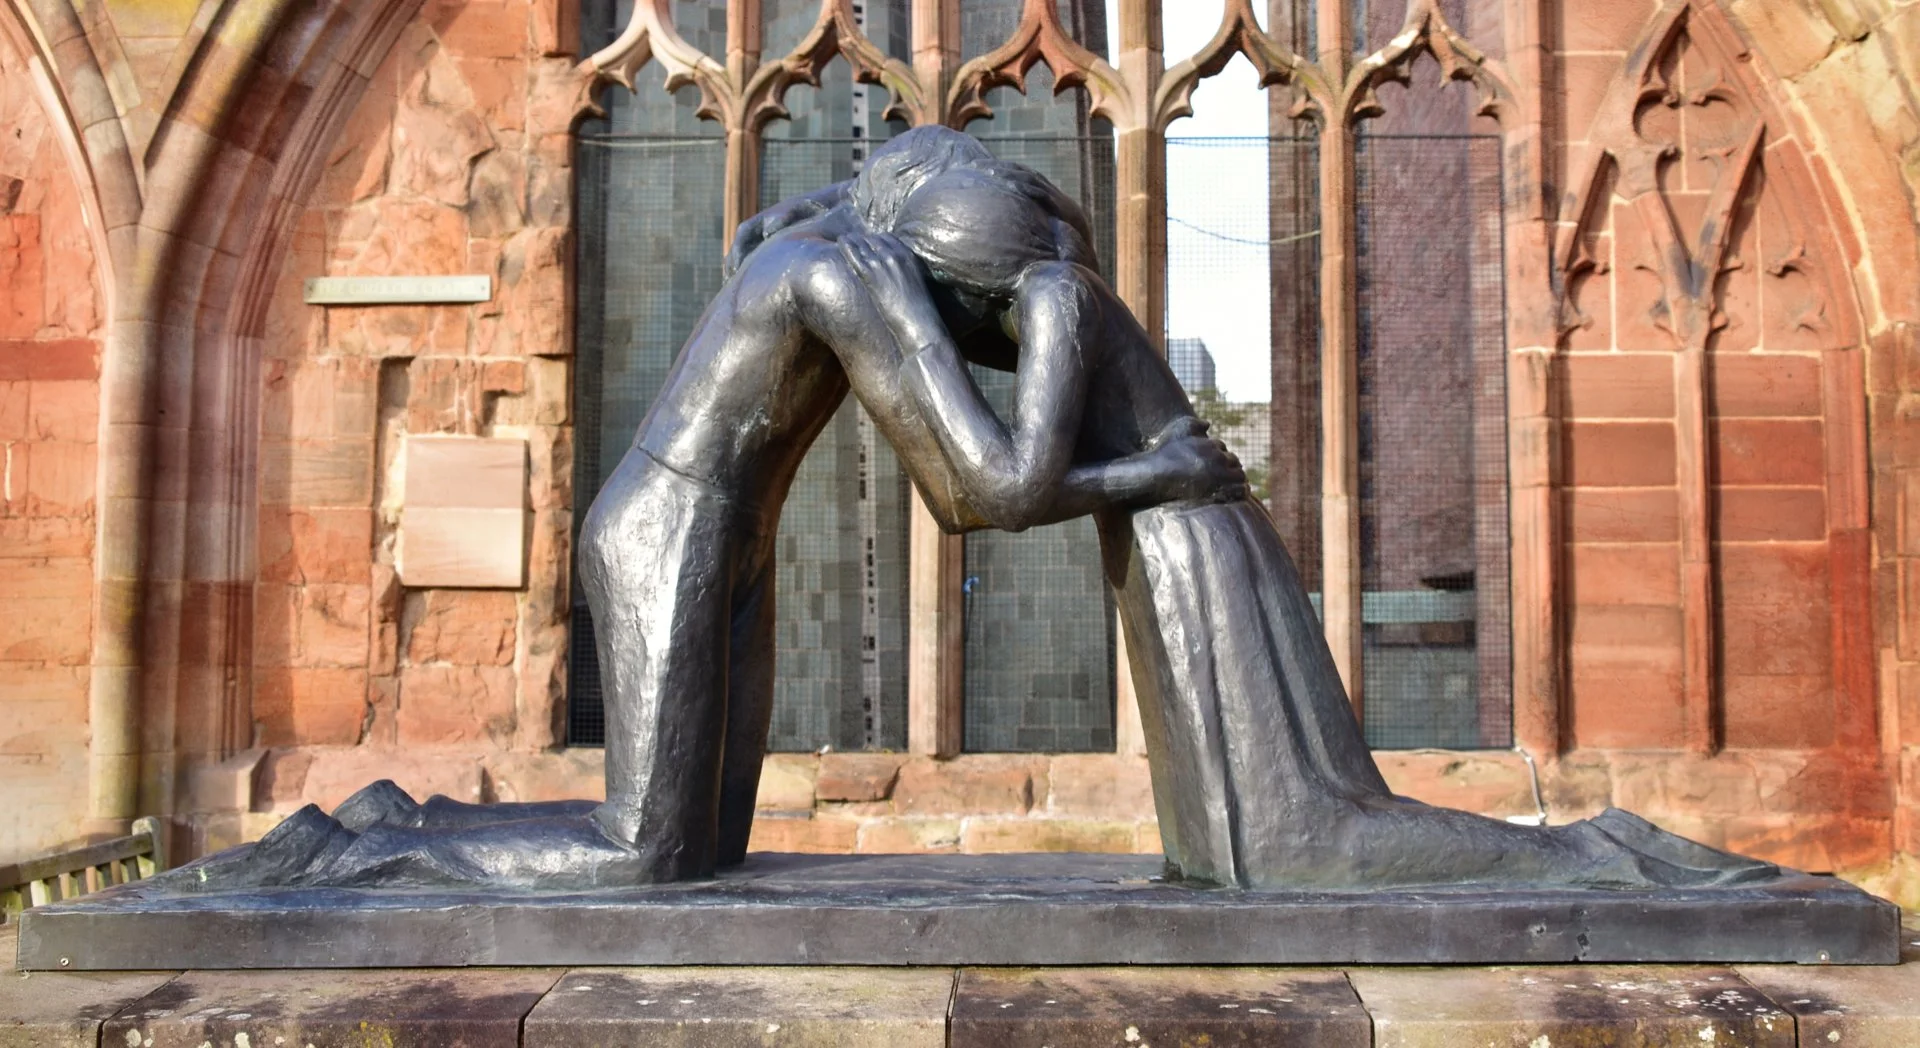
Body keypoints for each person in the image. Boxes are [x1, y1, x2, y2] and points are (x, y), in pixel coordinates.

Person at [228, 127, 1771, 891]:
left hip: (707, 538)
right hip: (667, 543)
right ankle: (363, 857)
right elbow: (983, 494)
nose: (995, 319)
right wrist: (1155, 456)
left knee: (685, 855)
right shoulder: (851, 275)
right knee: (644, 859)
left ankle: (398, 825)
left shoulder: (825, 242)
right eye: (993, 295)